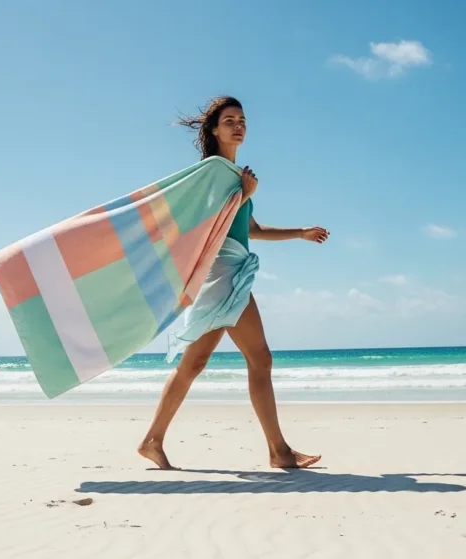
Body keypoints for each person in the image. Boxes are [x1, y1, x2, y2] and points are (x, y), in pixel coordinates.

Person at [137, 96, 330, 470]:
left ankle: (152, 440)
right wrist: (245, 193)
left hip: (232, 271)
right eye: (229, 120)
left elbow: (251, 230)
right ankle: (279, 452)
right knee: (258, 359)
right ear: (213, 130)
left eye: (242, 119)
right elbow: (206, 222)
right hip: (223, 273)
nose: (238, 125)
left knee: (196, 363)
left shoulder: (233, 174)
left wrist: (300, 233)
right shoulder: (213, 172)